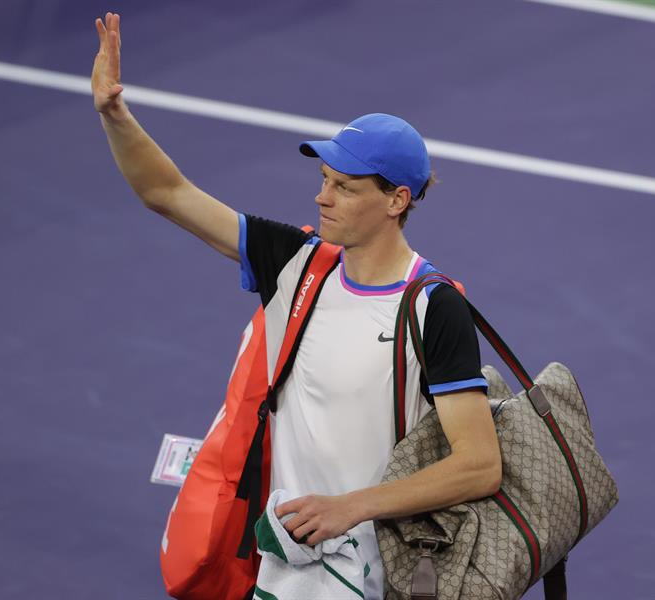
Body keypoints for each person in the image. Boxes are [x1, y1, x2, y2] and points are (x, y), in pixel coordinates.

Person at [92, 12, 502, 600]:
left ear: (397, 200)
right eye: (324, 178)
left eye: (345, 187)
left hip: (378, 570)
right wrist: (115, 115)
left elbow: (479, 465)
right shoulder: (294, 264)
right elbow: (167, 192)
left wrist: (350, 507)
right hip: (285, 562)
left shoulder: (433, 309)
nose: (321, 196)